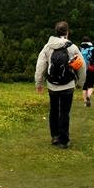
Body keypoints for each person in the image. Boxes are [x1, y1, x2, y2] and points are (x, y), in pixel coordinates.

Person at [35, 21, 86, 149]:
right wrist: (80, 83)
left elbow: (40, 66)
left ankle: (54, 136)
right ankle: (64, 140)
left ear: (56, 32)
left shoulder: (48, 47)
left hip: (52, 85)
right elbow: (82, 66)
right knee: (64, 112)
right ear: (67, 32)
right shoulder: (72, 47)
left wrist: (39, 83)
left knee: (53, 110)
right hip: (68, 85)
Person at [79, 36, 94, 107]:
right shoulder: (92, 49)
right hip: (90, 69)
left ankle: (85, 102)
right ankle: (88, 96)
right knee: (90, 86)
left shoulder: (80, 49)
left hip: (82, 69)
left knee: (84, 87)